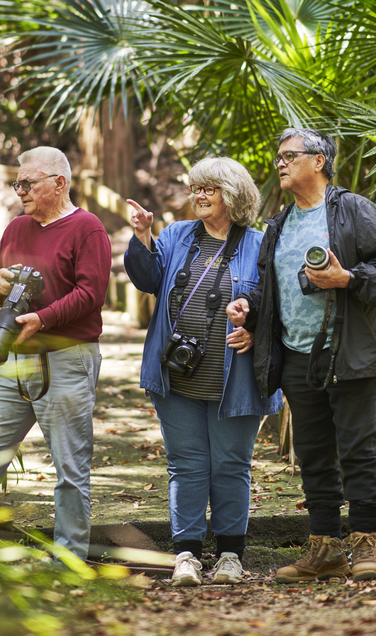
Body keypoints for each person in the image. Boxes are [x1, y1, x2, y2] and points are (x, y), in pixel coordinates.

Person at [226, 128, 376, 583]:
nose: (280, 164)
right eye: (279, 157)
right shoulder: (279, 224)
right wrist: (249, 315)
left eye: (290, 156)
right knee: (314, 455)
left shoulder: (353, 210)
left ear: (319, 162)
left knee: (359, 451)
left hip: (347, 353)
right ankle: (324, 549)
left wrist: (346, 278)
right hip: (296, 357)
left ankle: (367, 544)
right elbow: (273, 290)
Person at [0, 146, 111, 562]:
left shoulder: (87, 228)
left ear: (59, 183)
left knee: (70, 466)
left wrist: (43, 318)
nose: (21, 190)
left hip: (67, 358)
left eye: (28, 182)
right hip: (15, 361)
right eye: (18, 183)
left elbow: (92, 294)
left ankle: (69, 557)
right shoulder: (17, 228)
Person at [124, 157, 282, 587]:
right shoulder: (176, 236)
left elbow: (279, 305)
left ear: (232, 194)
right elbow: (146, 278)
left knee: (231, 464)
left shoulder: (260, 243)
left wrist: (252, 329)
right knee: (186, 465)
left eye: (209, 188)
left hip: (237, 380)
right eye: (196, 188)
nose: (199, 195)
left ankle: (231, 555)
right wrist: (142, 236)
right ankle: (187, 556)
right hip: (177, 376)